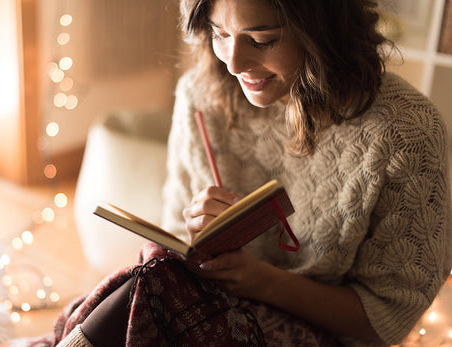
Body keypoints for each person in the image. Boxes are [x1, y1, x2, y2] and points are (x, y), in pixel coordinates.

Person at [54, 0, 451, 346]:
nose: (233, 62)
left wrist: (261, 281)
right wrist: (196, 234)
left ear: (324, 30)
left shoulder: (405, 131)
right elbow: (173, 234)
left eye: (262, 40)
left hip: (327, 334)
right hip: (208, 310)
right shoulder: (201, 95)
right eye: (220, 33)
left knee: (148, 290)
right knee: (150, 276)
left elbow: (387, 320)